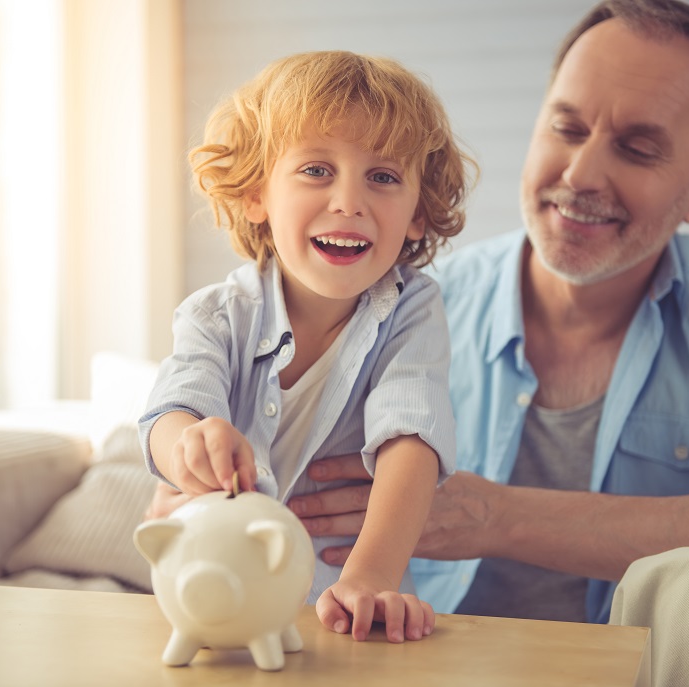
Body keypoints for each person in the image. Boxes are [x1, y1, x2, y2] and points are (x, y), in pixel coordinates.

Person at [148, 1, 689, 684]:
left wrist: (499, 515)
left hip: (646, 664)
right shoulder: (390, 295)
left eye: (638, 147)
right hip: (422, 658)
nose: (582, 173)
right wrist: (197, 483)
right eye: (566, 127)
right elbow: (195, 419)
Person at [139, 50, 476, 644]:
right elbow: (172, 411)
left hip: (349, 613)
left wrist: (370, 576)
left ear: (418, 214)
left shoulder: (413, 311)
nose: (349, 200)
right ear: (256, 194)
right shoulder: (216, 314)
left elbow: (411, 439)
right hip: (220, 600)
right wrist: (189, 445)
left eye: (384, 176)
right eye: (317, 170)